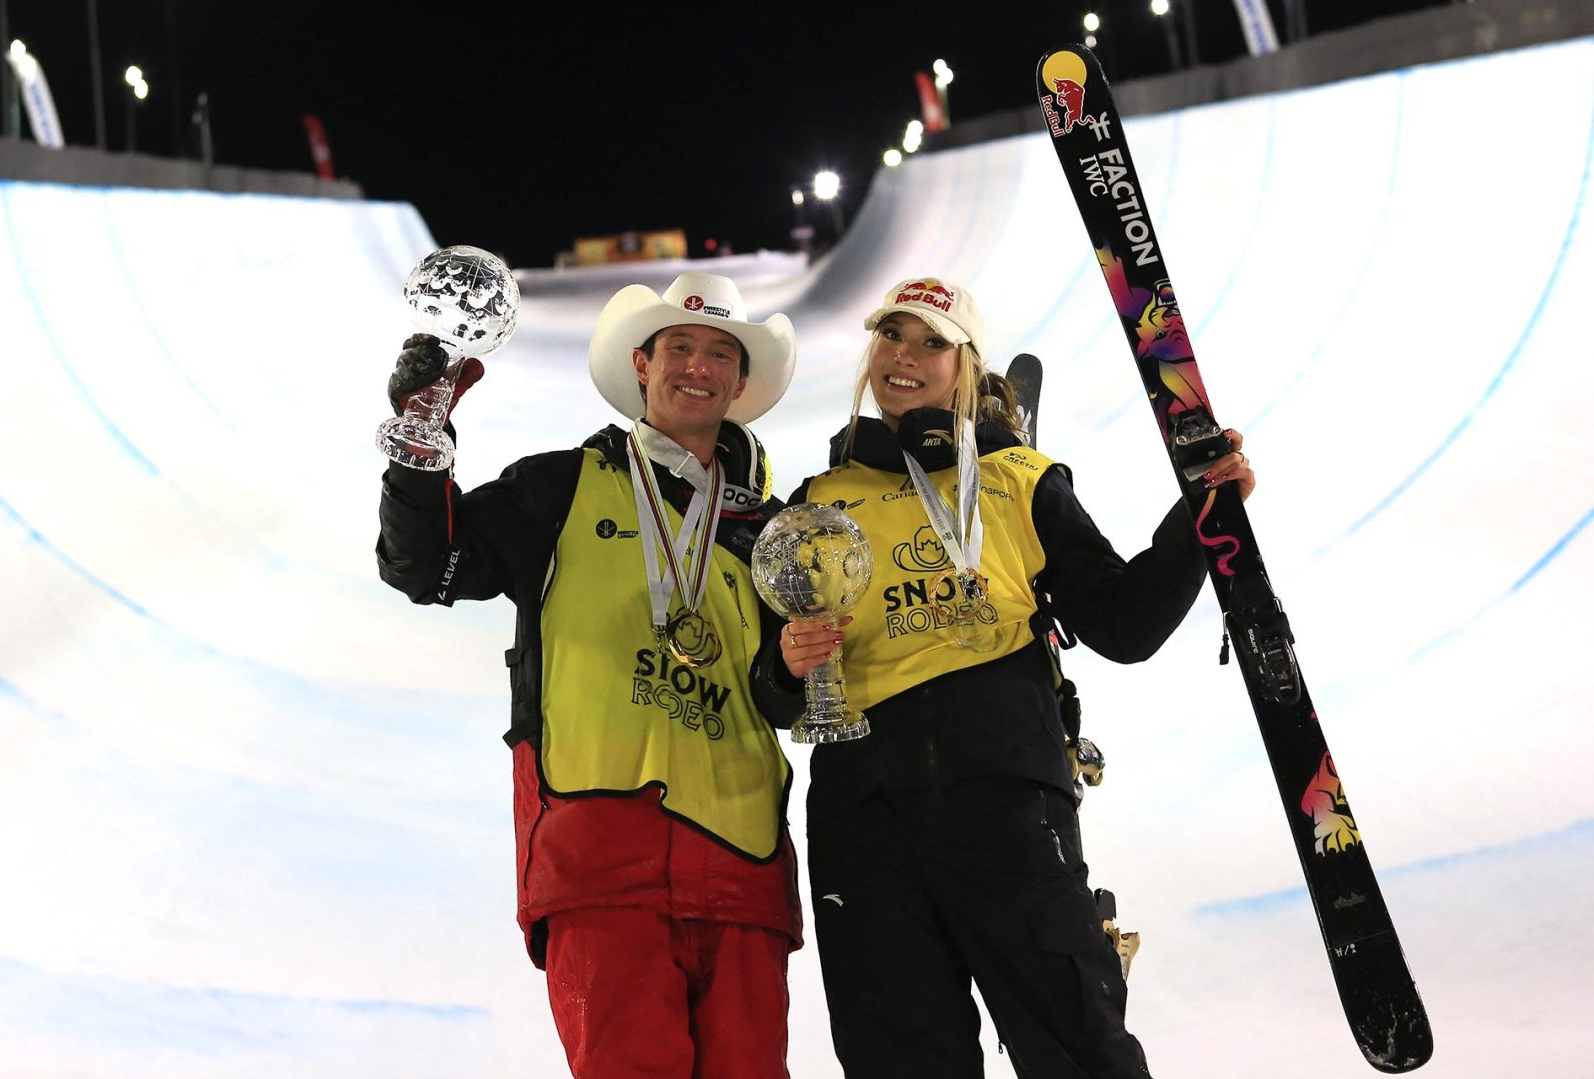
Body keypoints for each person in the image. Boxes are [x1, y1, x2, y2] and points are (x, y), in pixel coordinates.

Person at [763, 276, 1256, 1078]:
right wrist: (786, 666)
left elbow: (1124, 623)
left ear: (965, 366)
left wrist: (1201, 514)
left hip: (1008, 804)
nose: (904, 357)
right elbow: (772, 690)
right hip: (866, 826)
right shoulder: (818, 502)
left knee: (1078, 1050)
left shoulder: (1021, 479)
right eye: (891, 336)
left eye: (930, 342)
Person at [376, 271, 804, 1079]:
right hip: (601, 854)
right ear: (642, 363)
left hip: (744, 864)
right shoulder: (560, 486)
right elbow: (426, 564)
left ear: (741, 381)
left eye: (720, 352)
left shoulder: (771, 532)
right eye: (679, 346)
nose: (698, 367)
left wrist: (796, 665)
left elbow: (782, 698)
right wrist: (419, 447)